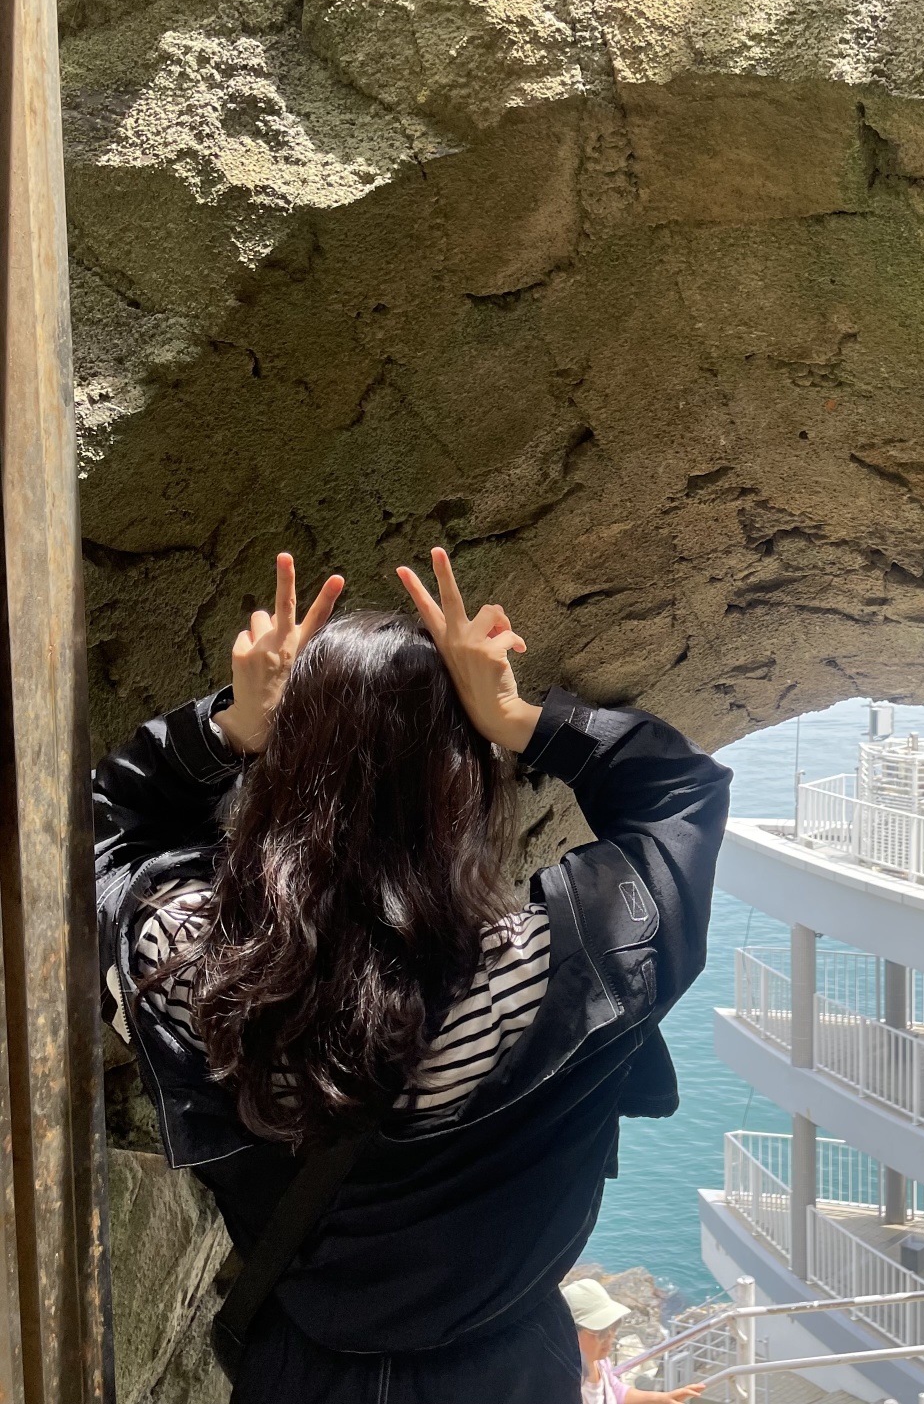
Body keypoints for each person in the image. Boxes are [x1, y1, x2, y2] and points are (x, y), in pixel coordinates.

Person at [94, 548, 731, 1404]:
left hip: (298, 1374)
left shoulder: (191, 972)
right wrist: (516, 717)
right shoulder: (551, 972)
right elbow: (681, 795)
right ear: (468, 785)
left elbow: (91, 832)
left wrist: (233, 726)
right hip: (509, 1375)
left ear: (278, 774)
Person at [561, 1278, 706, 1403]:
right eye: (601, 1331)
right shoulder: (565, 1384)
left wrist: (661, 1398)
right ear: (570, 1333)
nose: (610, 1335)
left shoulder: (600, 1363)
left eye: (614, 1325)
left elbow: (615, 1391)